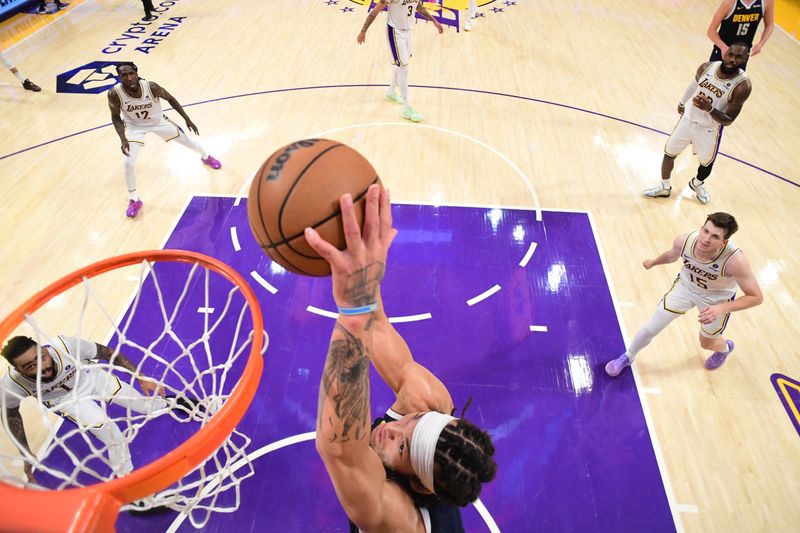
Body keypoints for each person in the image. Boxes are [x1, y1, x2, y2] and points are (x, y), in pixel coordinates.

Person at [306, 185, 496, 532]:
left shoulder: (397, 518)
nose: (392, 429)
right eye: (413, 421)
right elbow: (377, 326)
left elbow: (338, 450)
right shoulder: (429, 401)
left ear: (421, 486)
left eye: (403, 448)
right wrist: (365, 270)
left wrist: (352, 312)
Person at [0, 335, 181, 483]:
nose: (43, 367)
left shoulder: (64, 346)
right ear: (18, 370)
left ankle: (169, 403)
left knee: (143, 405)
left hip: (90, 377)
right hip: (67, 401)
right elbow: (10, 415)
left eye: (42, 357)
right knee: (112, 435)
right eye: (31, 366)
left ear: (45, 350)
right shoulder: (11, 384)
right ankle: (128, 483)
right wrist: (24, 450)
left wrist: (141, 376)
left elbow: (106, 352)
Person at [605, 212, 763, 377]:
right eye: (706, 231)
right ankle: (628, 357)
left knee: (707, 343)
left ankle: (724, 349)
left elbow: (756, 297)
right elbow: (672, 255)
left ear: (724, 243)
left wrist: (721, 308)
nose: (706, 239)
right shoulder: (684, 241)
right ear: (701, 228)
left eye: (715, 237)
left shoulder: (735, 261)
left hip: (716, 300)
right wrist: (653, 262)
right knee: (652, 327)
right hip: (685, 288)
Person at [107, 62, 221, 218]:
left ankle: (206, 157)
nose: (129, 78)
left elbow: (171, 99)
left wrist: (187, 119)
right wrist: (123, 139)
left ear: (136, 72)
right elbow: (115, 117)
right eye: (124, 75)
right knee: (128, 163)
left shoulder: (151, 87)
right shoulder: (114, 93)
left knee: (189, 143)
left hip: (158, 121)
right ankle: (134, 200)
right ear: (119, 77)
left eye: (131, 73)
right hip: (134, 127)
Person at [643, 43, 751, 204]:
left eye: (738, 57)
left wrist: (710, 108)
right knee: (669, 153)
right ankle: (665, 187)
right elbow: (693, 85)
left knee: (706, 164)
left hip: (709, 129)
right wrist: (682, 102)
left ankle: (697, 184)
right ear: (725, 53)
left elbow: (728, 120)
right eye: (730, 54)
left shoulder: (742, 86)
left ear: (745, 59)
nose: (732, 60)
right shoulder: (706, 67)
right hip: (687, 121)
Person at [357, 0, 443, 123]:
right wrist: (363, 30)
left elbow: (418, 6)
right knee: (404, 68)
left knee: (401, 64)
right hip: (395, 31)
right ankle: (407, 108)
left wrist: (434, 21)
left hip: (408, 31)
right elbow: (375, 12)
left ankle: (391, 92)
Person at [707, 0, 774, 67]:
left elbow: (770, 25)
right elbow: (711, 31)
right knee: (711, 76)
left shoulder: (767, 1)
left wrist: (761, 44)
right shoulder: (729, 2)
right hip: (722, 52)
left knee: (738, 77)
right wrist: (723, 47)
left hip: (742, 55)